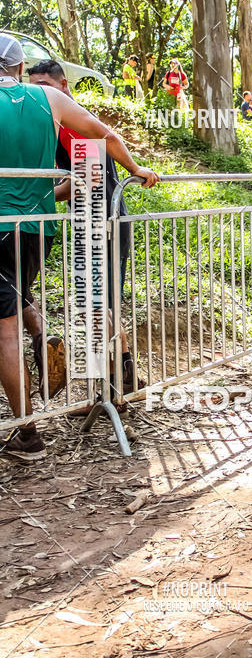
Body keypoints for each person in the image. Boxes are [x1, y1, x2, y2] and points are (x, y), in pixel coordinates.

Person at [0, 34, 158, 462]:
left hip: (61, 222)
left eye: (45, 83)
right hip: (53, 225)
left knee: (72, 309)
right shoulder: (51, 107)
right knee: (43, 299)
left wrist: (51, 191)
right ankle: (54, 344)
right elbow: (100, 140)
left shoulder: (56, 110)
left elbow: (87, 170)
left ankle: (52, 420)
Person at [28, 59, 144, 397]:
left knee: (95, 307)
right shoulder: (65, 119)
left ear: (64, 85)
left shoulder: (67, 122)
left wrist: (44, 195)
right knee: (101, 305)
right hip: (100, 217)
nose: (40, 94)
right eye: (34, 88)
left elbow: (86, 180)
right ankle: (122, 384)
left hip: (100, 220)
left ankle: (108, 392)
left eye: (45, 86)